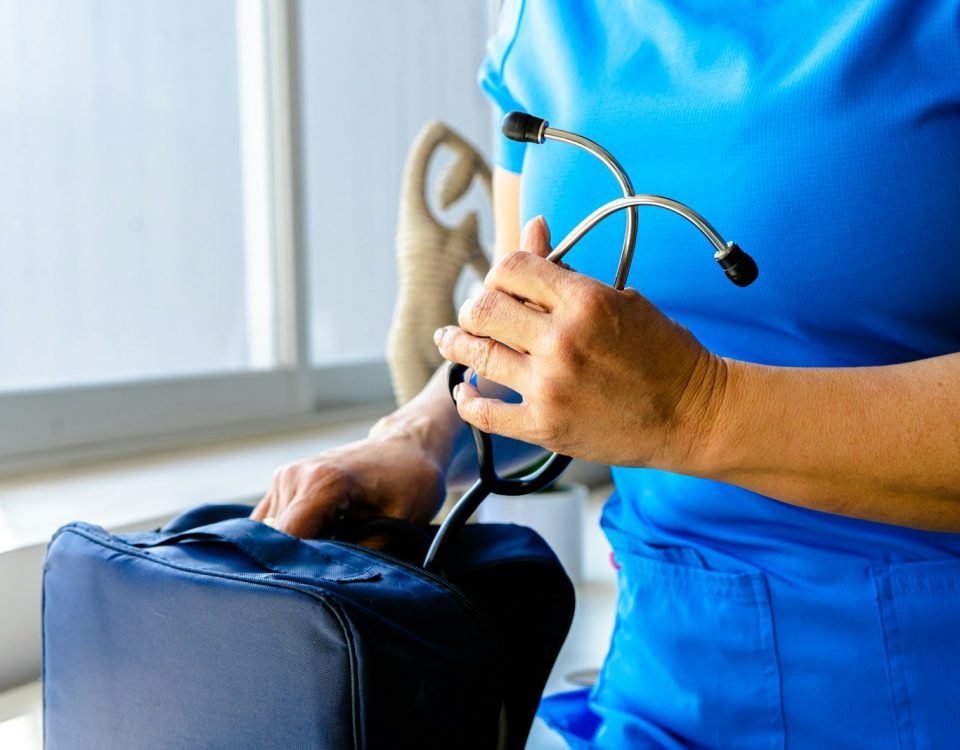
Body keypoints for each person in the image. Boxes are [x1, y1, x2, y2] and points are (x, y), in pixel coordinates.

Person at [253, 1, 960, 747]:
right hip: (665, 686)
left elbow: (655, 399)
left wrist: (699, 409)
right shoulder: (548, 24)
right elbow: (540, 341)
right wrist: (419, 436)